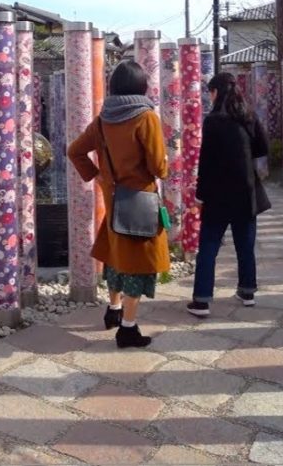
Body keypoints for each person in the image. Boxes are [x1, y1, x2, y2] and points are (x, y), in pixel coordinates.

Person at [68, 60, 169, 348]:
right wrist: (165, 165)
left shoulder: (103, 119)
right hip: (140, 201)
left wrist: (98, 176)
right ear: (142, 86)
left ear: (113, 87)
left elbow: (74, 151)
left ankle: (113, 310)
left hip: (114, 198)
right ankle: (128, 327)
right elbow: (158, 166)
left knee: (115, 256)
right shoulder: (146, 117)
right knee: (138, 264)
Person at [187, 71, 271, 318]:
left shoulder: (213, 121)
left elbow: (206, 162)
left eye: (210, 92)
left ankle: (202, 300)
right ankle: (247, 292)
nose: (210, 97)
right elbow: (263, 148)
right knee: (245, 245)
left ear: (217, 92)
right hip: (246, 191)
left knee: (209, 247)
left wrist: (200, 195)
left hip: (217, 195)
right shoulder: (248, 116)